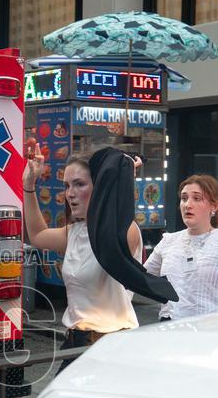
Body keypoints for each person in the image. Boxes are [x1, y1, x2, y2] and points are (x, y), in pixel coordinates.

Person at [22, 150, 141, 351]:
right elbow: (38, 235)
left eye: (79, 184)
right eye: (67, 186)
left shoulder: (125, 230)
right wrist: (29, 186)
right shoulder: (75, 232)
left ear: (102, 185)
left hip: (112, 342)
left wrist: (121, 180)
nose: (70, 193)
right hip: (75, 339)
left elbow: (112, 235)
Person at [144, 174, 218, 320]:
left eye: (197, 198)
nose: (188, 204)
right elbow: (142, 277)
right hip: (170, 329)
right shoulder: (169, 241)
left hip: (207, 331)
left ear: (214, 206)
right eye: (184, 198)